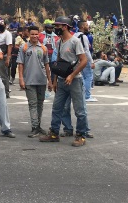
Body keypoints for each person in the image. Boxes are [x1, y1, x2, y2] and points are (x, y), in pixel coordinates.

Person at [39, 16, 89, 147]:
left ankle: (81, 135)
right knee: (57, 108)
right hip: (62, 81)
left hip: (75, 81)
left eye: (58, 26)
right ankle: (54, 133)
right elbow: (59, 63)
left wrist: (72, 75)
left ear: (65, 27)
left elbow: (84, 61)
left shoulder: (75, 42)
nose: (56, 28)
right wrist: (55, 80)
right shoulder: (59, 42)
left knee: (79, 110)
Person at [17, 26, 51, 138]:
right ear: (29, 35)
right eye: (32, 34)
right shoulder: (24, 47)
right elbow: (20, 64)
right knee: (32, 104)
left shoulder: (44, 48)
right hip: (29, 81)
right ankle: (34, 127)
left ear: (39, 35)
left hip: (41, 80)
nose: (34, 36)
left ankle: (38, 126)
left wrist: (49, 81)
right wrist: (21, 79)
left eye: (36, 34)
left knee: (40, 104)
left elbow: (46, 65)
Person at [75, 21, 96, 101]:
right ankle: (87, 95)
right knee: (88, 77)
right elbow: (86, 50)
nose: (88, 27)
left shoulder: (74, 35)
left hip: (77, 59)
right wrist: (91, 61)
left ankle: (82, 94)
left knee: (82, 77)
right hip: (84, 59)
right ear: (83, 26)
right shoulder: (83, 37)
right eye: (87, 25)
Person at [0, 19, 13, 98]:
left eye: (2, 25)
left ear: (5, 25)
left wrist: (8, 58)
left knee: (4, 75)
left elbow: (9, 46)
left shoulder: (7, 34)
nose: (1, 26)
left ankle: (6, 92)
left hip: (4, 56)